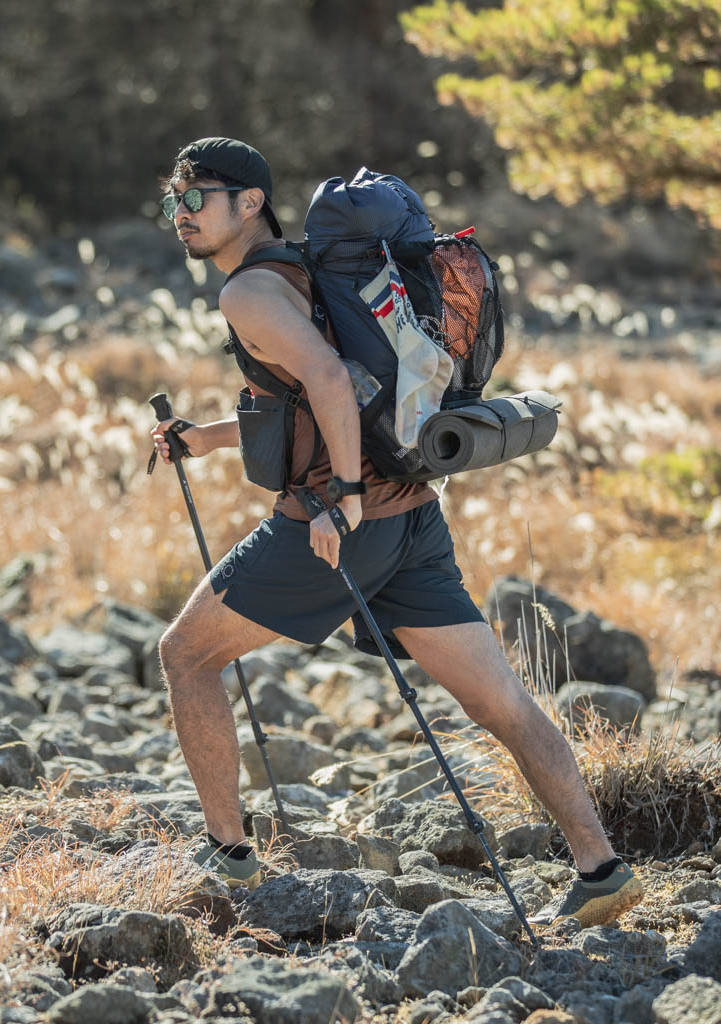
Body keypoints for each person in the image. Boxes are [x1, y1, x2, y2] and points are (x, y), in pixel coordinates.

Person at [149, 136, 644, 928]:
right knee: (503, 703)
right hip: (412, 515)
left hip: (340, 526)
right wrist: (206, 437)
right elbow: (327, 402)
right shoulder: (317, 268)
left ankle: (228, 859)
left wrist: (340, 497)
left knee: (185, 655)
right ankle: (601, 868)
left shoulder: (248, 293)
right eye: (173, 200)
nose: (181, 215)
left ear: (250, 203)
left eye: (196, 197)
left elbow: (334, 381)